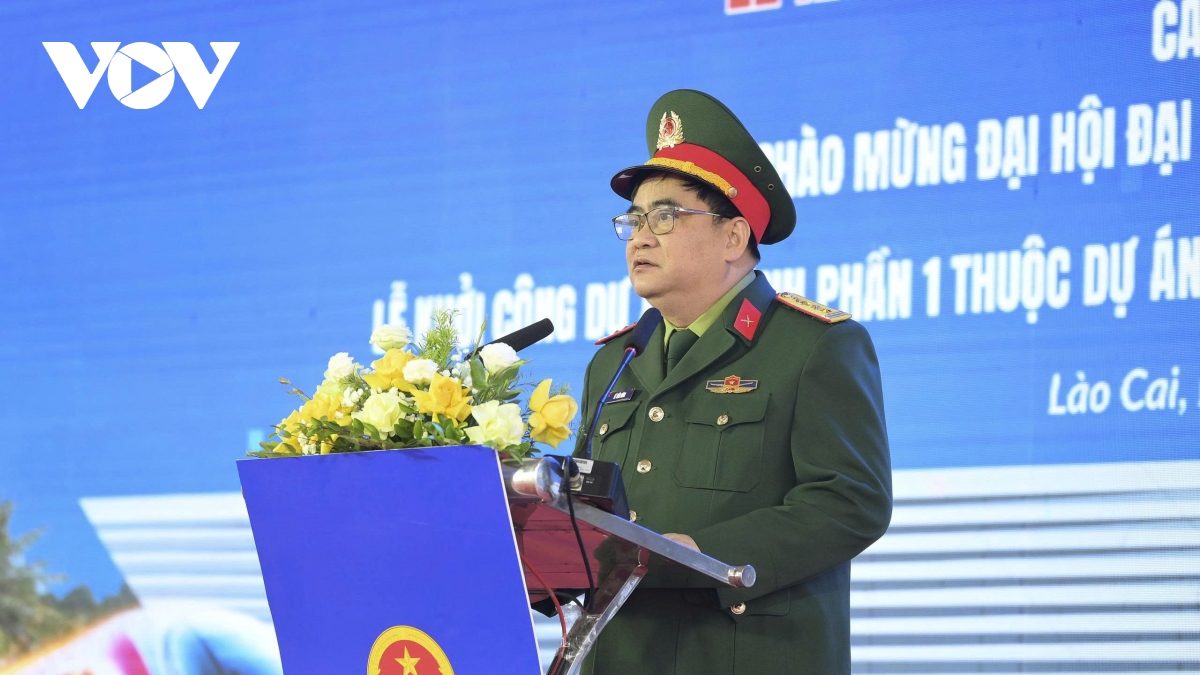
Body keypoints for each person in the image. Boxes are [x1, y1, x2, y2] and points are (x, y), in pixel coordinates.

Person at [573, 89, 893, 675]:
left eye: (664, 217)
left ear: (733, 237)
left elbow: (851, 502)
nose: (640, 237)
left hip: (741, 654)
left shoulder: (813, 345)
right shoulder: (615, 359)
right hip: (620, 654)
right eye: (634, 220)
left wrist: (706, 555)